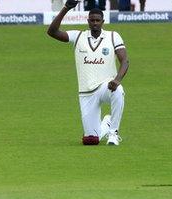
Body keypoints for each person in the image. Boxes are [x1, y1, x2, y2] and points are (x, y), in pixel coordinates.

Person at [48, 2, 129, 146]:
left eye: (98, 20)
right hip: (86, 93)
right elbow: (52, 32)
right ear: (88, 21)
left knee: (119, 90)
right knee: (91, 141)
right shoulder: (78, 36)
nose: (95, 23)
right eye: (92, 20)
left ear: (103, 21)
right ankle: (107, 123)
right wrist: (66, 8)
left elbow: (125, 61)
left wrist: (117, 80)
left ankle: (113, 133)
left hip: (106, 86)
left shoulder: (113, 36)